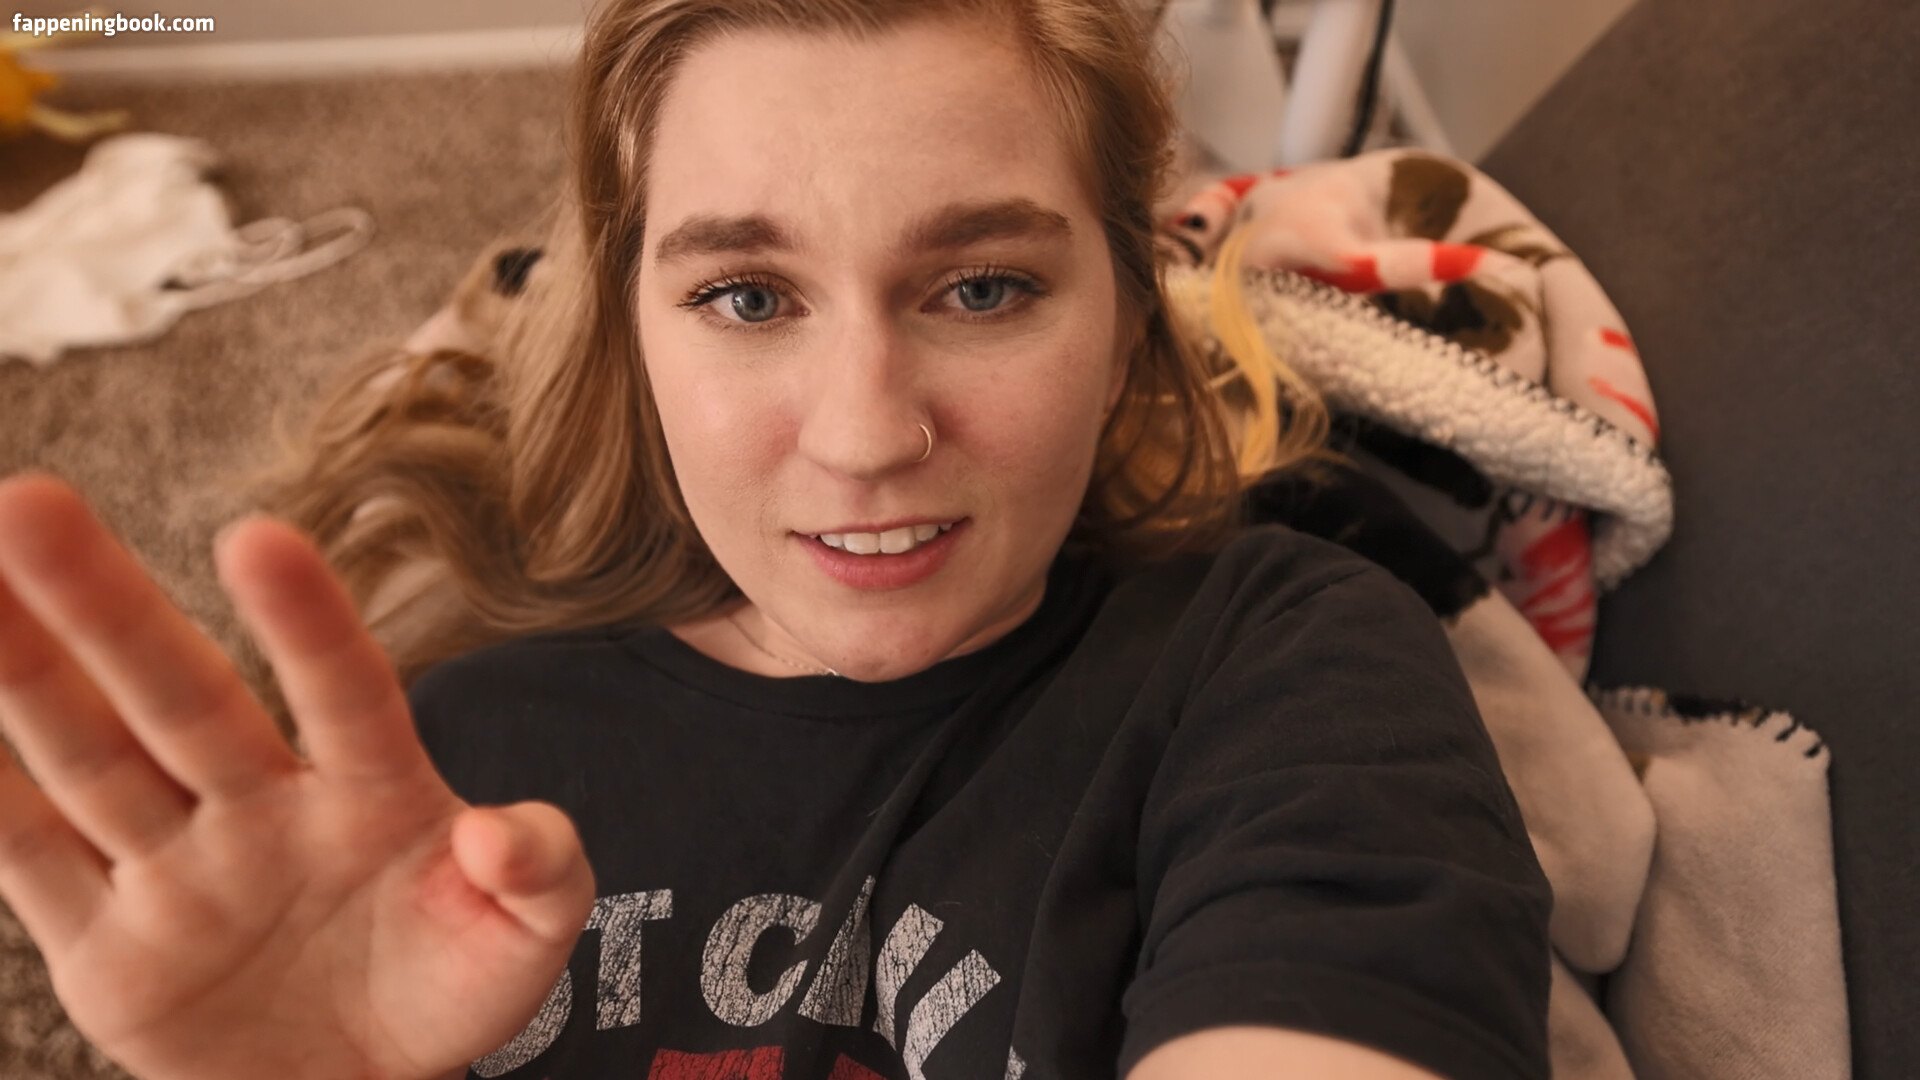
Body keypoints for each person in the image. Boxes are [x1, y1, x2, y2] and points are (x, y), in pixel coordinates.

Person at [0, 1, 1552, 1078]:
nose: (865, 434)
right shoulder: (449, 751)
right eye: (747, 297)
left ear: (1130, 319)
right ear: (632, 335)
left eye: (984, 287)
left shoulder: (1284, 668)